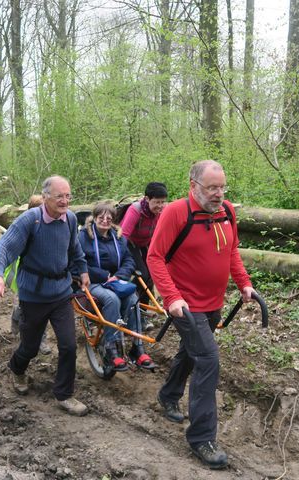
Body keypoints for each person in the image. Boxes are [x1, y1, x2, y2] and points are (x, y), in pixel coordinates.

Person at [147, 160, 255, 470]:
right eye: (212, 188)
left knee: (192, 353)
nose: (219, 193)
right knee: (208, 359)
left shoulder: (227, 211)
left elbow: (232, 250)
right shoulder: (176, 212)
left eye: (222, 187)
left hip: (213, 302)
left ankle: (168, 394)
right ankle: (201, 437)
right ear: (193, 186)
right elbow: (155, 257)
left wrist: (244, 284)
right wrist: (172, 297)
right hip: (185, 303)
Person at [0, 175, 90, 417]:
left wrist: (83, 269)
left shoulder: (71, 219)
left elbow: (75, 248)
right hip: (33, 295)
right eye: (59, 197)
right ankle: (17, 368)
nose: (65, 201)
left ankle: (64, 394)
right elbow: (3, 248)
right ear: (45, 197)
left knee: (68, 345)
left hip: (62, 292)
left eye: (68, 196)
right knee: (31, 347)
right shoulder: (29, 221)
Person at [78, 201, 154, 371]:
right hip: (93, 282)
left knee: (133, 298)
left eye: (109, 218)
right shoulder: (84, 237)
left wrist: (119, 276)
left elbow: (129, 260)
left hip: (116, 281)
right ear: (94, 218)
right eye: (101, 217)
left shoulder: (118, 237)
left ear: (113, 220)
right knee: (112, 300)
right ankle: (110, 348)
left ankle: (137, 347)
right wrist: (104, 275)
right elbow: (79, 261)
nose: (105, 220)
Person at [120, 182, 168, 330]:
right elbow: (123, 236)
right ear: (147, 199)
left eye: (163, 202)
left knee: (151, 275)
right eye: (156, 202)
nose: (160, 206)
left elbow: (161, 234)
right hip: (129, 243)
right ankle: (130, 306)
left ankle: (142, 313)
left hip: (146, 243)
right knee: (144, 275)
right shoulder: (136, 210)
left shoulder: (161, 212)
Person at [10, 194, 52, 355]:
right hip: (25, 278)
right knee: (22, 309)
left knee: (44, 310)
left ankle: (42, 340)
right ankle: (17, 321)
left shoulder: (51, 226)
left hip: (45, 279)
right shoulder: (24, 227)